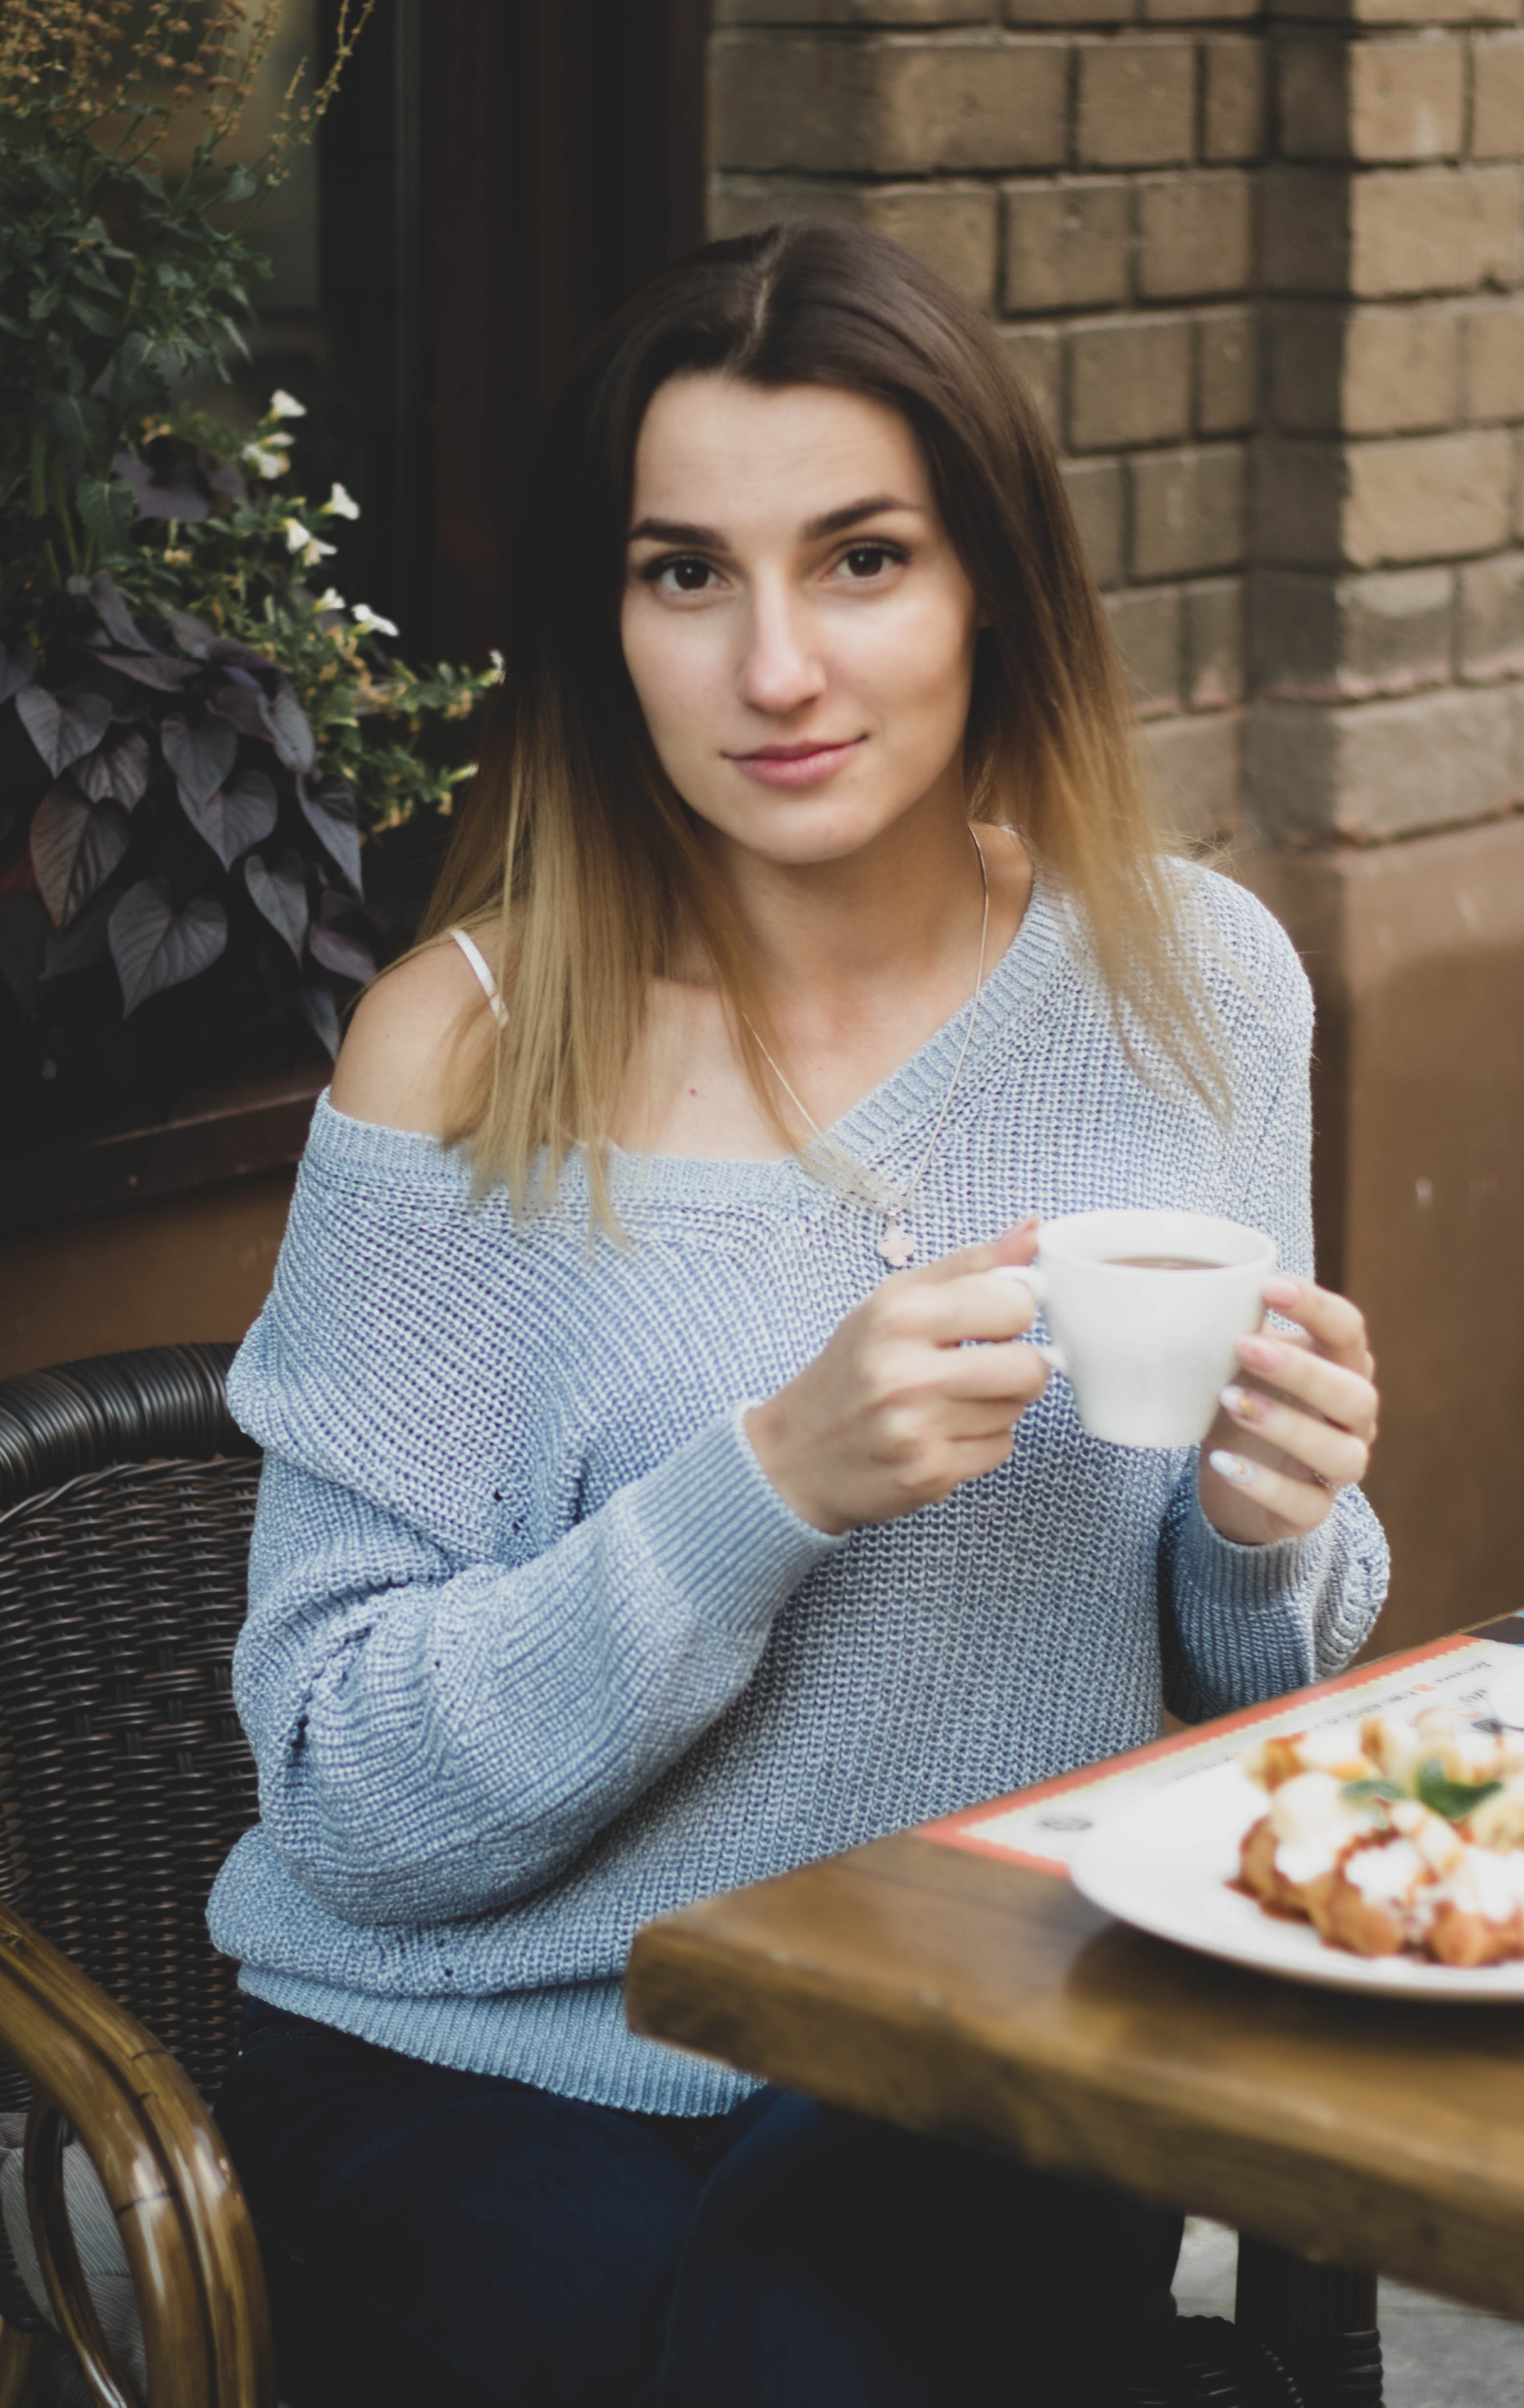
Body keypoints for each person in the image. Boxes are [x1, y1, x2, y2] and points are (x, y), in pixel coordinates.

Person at [209, 221, 1388, 2407]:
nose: (776, 670)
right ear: (608, 618)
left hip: (987, 2031)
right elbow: (343, 1789)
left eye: (860, 560)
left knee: (833, 2313)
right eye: (686, 573)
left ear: (992, 592)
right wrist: (754, 1492)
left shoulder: (1193, 989)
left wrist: (1270, 1532)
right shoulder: (458, 1057)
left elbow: (1250, 1696)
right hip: (489, 2053)